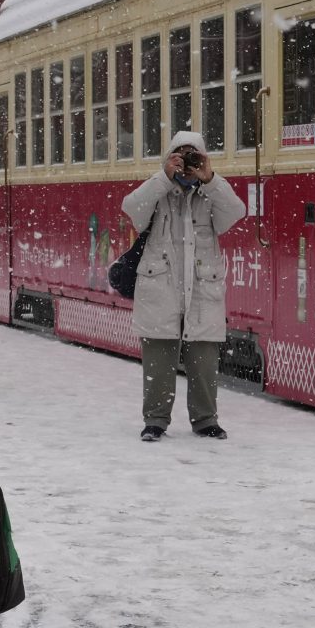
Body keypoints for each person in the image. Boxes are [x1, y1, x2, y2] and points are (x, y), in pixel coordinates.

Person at [122, 129, 247, 441]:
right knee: (158, 363)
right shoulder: (157, 191)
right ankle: (155, 420)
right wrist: (163, 177)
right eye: (180, 155)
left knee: (204, 363)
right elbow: (132, 208)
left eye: (193, 156)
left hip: (202, 292)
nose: (187, 164)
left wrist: (211, 178)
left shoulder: (211, 193)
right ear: (169, 158)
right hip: (160, 289)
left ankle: (206, 419)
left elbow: (236, 213)